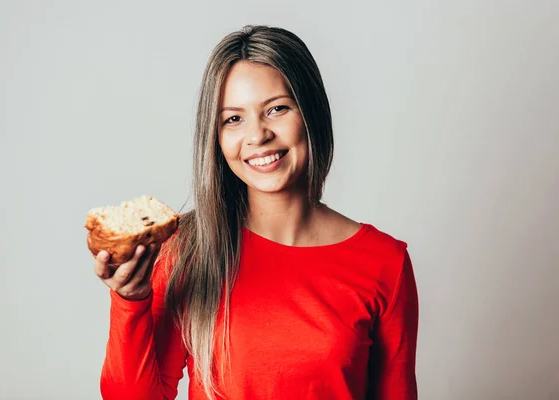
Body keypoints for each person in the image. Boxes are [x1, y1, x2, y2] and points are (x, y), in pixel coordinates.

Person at [94, 25, 419, 400]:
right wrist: (130, 301)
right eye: (233, 119)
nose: (257, 135)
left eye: (277, 109)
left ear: (310, 113)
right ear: (215, 137)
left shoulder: (384, 263)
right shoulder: (186, 249)